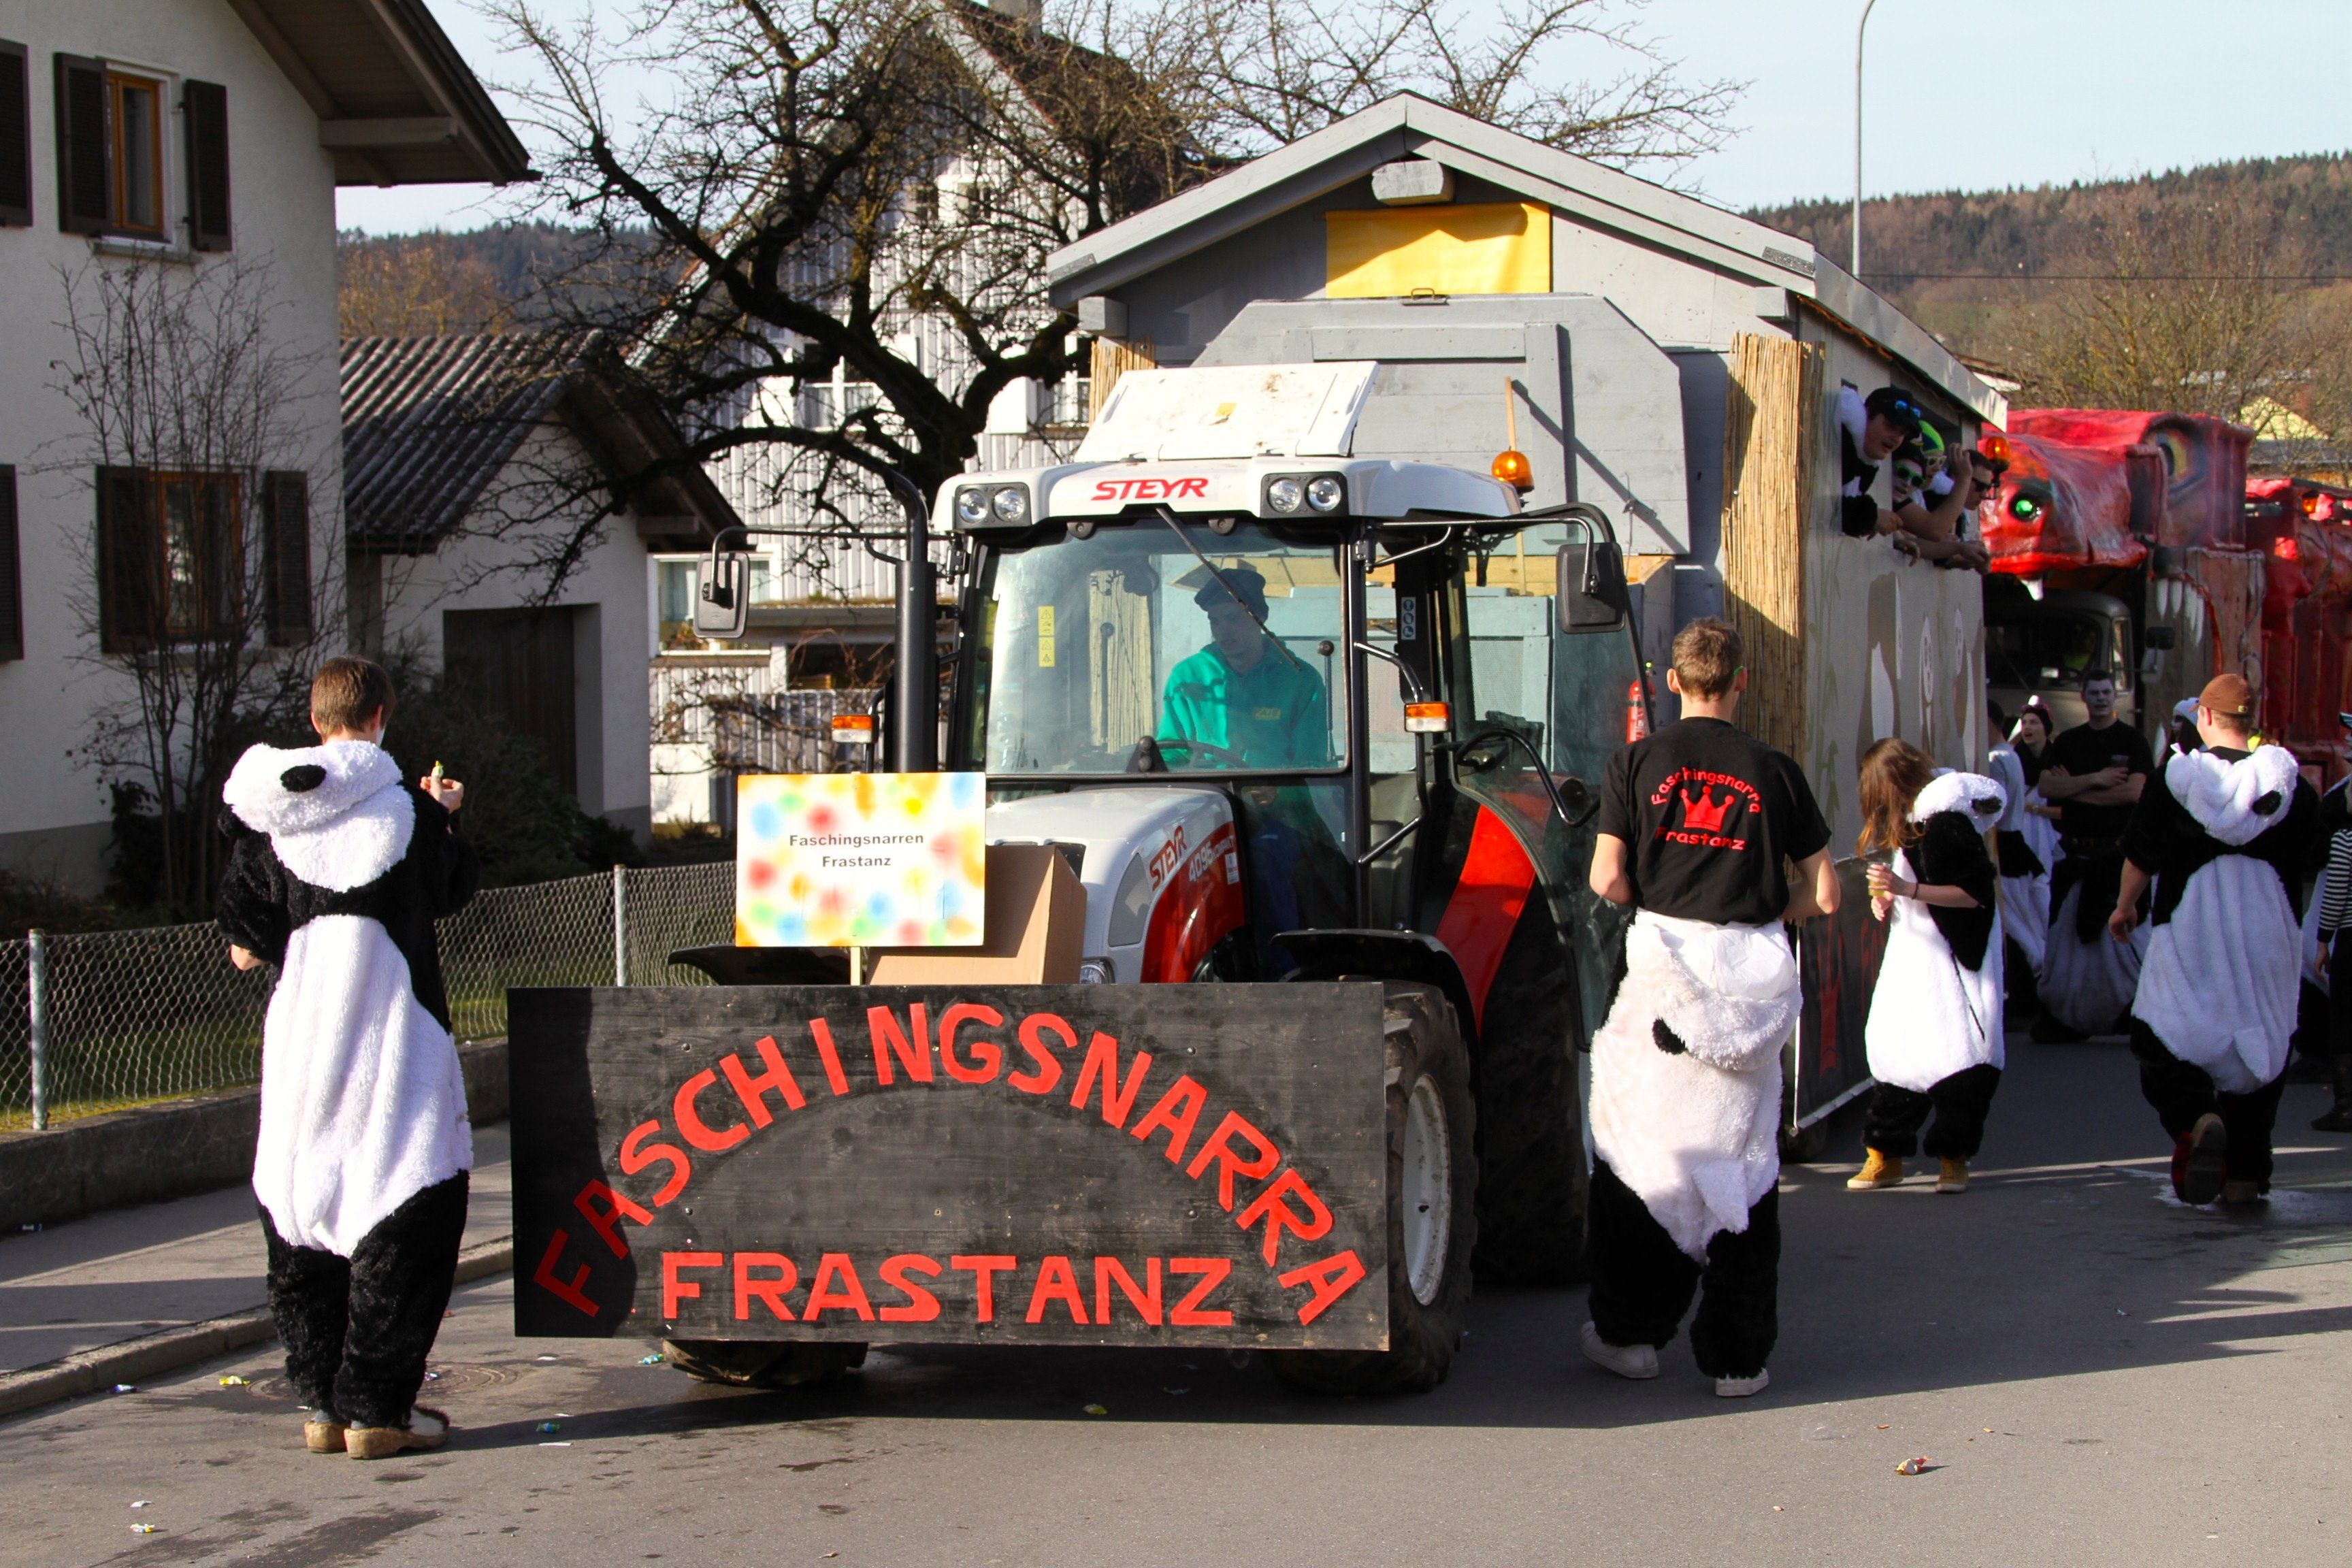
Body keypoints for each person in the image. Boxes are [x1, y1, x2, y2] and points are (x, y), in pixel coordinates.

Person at [218, 657, 478, 1459]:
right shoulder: (409, 812)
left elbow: (243, 949)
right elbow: (453, 890)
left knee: (300, 1223)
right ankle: (377, 1411)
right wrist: (443, 816)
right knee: (409, 1217)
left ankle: (319, 1406)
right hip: (399, 1046)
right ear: (379, 718)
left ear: (315, 719)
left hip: (303, 1054)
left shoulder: (272, 821)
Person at [1582, 617, 1839, 1399]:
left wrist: (1662, 900)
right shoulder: (1775, 770)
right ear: (1741, 682)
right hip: (1752, 984)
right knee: (1744, 1166)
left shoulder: (1636, 762)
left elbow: (1606, 879)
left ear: (1673, 682)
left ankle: (1630, 1336)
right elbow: (1826, 893)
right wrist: (1768, 911)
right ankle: (1738, 1357)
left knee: (1639, 1156)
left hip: (1663, 976)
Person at [2111, 674, 2321, 1205]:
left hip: (2191, 930)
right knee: (2262, 1051)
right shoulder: (2291, 788)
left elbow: (2141, 854)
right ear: (2252, 721)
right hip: (2269, 932)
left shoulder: (2175, 780)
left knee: (2161, 1038)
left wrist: (2125, 905)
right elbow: (2314, 858)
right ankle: (2246, 1175)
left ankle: (2198, 1117)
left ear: (2204, 717)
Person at [1848, 742, 2007, 1194]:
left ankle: (1953, 1159)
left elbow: (1974, 894)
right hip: (1913, 963)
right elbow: (1913, 886)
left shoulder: (1945, 823)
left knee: (1958, 1063)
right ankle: (1885, 1155)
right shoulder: (1917, 821)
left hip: (1950, 970)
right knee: (1897, 1058)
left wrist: (1905, 890)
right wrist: (1888, 899)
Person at [2034, 672, 2154, 1041]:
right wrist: (2098, 778)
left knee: (2124, 942)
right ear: (2084, 697)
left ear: (2115, 696)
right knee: (2065, 942)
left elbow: (2135, 793)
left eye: (2106, 692)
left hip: (2117, 860)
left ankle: (2133, 1013)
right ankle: (2069, 1017)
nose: (2101, 698)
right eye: (2094, 693)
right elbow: (2047, 785)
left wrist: (2075, 791)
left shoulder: (2132, 741)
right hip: (2074, 857)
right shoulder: (2068, 741)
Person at [1156, 566, 1330, 768]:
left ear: (1259, 618)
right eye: (1215, 622)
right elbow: (1171, 753)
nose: (1223, 631)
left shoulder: (1301, 681)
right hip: (1207, 787)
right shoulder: (1186, 677)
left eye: (1233, 619)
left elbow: (1311, 764)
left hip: (1276, 788)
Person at [1985, 701, 2049, 988]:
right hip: (2015, 845)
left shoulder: (1997, 758)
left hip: (2008, 848)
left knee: (2014, 922)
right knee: (2023, 919)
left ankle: (2032, 981)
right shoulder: (2010, 754)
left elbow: (1997, 807)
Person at [2308, 735, 2352, 1131]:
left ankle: (2346, 1107)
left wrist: (2323, 940)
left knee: (2345, 1025)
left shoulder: (2345, 840)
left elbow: (2335, 894)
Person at [1839, 385, 1926, 539]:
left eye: (1903, 433)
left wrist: (1870, 523)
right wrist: (1871, 517)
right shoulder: (1838, 440)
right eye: (1891, 426)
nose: (1896, 438)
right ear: (1868, 413)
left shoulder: (1867, 462)